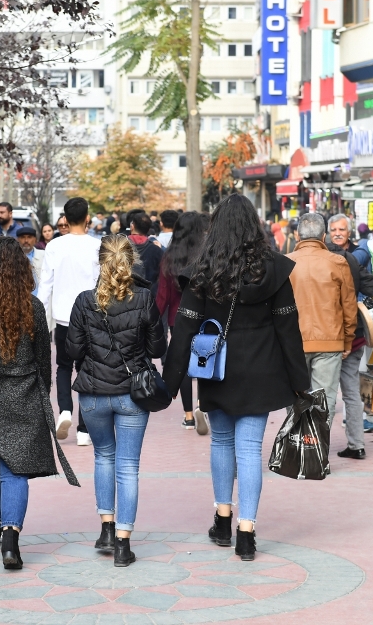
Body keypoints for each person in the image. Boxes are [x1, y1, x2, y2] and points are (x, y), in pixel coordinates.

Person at [164, 195, 308, 561]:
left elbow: (184, 331)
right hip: (262, 371)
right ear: (254, 224)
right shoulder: (274, 270)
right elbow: (289, 331)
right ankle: (247, 532)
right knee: (249, 451)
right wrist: (300, 385)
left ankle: (223, 519)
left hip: (217, 370)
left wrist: (169, 383)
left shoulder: (203, 270)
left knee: (221, 444)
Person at [0, 238, 78, 568]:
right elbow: (42, 360)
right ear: (22, 268)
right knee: (14, 470)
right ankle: (10, 540)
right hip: (23, 396)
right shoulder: (31, 307)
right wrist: (43, 393)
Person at [67, 235, 166, 566]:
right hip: (132, 393)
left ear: (100, 263)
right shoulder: (144, 298)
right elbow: (157, 349)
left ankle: (106, 528)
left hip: (94, 394)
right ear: (132, 260)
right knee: (128, 466)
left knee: (103, 458)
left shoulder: (84, 301)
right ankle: (123, 543)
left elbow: (74, 350)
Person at [287, 213, 359, 458]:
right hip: (330, 339)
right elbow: (349, 305)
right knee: (324, 400)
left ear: (297, 235)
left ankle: (296, 451)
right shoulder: (337, 262)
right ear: (324, 236)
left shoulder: (285, 262)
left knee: (296, 397)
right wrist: (348, 338)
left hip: (293, 341)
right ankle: (316, 454)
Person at [37, 197, 101, 447]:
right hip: (91, 319)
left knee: (63, 367)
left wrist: (40, 317)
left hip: (63, 318)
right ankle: (84, 429)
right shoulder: (97, 246)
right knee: (88, 370)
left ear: (64, 218)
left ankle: (64, 410)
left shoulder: (54, 246)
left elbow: (46, 285)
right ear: (87, 218)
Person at [327, 213, 373, 448]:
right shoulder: (352, 259)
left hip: (333, 339)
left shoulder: (327, 260)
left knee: (328, 394)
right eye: (334, 230)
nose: (338, 234)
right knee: (350, 393)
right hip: (352, 338)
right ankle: (357, 445)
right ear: (328, 233)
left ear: (349, 232)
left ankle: (320, 450)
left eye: (341, 230)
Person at [156, 211, 209, 432]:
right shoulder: (206, 254)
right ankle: (202, 405)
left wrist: (152, 318)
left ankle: (188, 416)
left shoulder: (169, 257)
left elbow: (163, 295)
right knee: (205, 361)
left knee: (184, 365)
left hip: (178, 317)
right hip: (205, 316)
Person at [129, 211, 163, 286]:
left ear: (132, 226)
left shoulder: (120, 246)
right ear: (148, 230)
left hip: (124, 292)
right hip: (149, 293)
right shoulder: (156, 250)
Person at [17, 226, 44, 295]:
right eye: (23, 237)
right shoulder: (11, 256)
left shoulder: (44, 255)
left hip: (39, 297)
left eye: (29, 237)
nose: (26, 240)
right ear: (17, 240)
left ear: (35, 240)